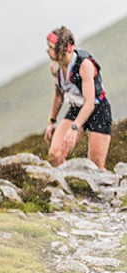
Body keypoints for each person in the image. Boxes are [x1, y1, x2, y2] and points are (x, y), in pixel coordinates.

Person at [43, 26, 111, 170]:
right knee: (55, 155)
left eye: (51, 47)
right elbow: (58, 95)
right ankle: (68, 187)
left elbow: (89, 104)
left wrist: (74, 128)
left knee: (95, 168)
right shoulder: (56, 66)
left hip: (97, 111)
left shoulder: (84, 65)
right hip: (76, 108)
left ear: (63, 48)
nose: (47, 51)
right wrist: (51, 121)